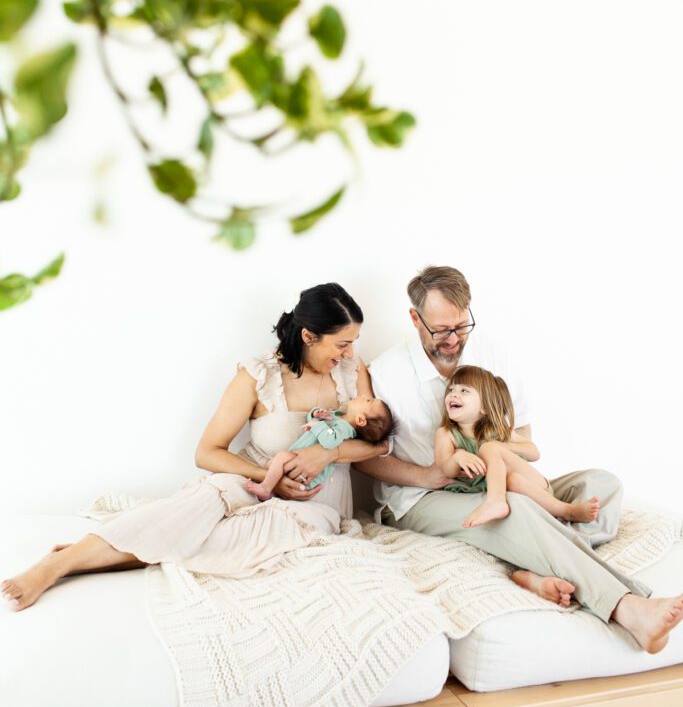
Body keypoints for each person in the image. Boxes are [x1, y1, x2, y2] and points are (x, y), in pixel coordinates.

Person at [356, 264, 683, 654]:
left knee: (602, 483)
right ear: (415, 319)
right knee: (515, 509)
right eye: (441, 329)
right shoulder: (386, 373)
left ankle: (531, 567)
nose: (453, 339)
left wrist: (504, 462)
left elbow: (524, 434)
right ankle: (628, 607)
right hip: (421, 499)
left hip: (495, 479)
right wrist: (430, 476)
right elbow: (364, 460)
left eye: (461, 326)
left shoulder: (490, 351)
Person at [1, 283, 389, 611]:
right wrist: (266, 478)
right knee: (196, 505)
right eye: (342, 343)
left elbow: (378, 443)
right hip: (254, 481)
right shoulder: (257, 375)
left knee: (255, 533)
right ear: (308, 336)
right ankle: (59, 564)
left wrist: (328, 453)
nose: (350, 353)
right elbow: (207, 453)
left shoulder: (354, 375)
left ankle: (109, 557)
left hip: (312, 504)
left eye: (353, 343)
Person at [435, 364, 600, 528]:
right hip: (516, 487)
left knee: (489, 448)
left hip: (537, 487)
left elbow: (534, 453)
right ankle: (556, 511)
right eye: (451, 390)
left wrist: (499, 447)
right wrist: (457, 457)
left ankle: (567, 510)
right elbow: (446, 469)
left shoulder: (497, 431)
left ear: (484, 407)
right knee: (512, 480)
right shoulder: (446, 434)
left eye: (464, 390)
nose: (454, 394)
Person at [246, 397, 395, 501]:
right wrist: (316, 414)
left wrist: (318, 425)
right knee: (275, 463)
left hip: (307, 475)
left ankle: (266, 489)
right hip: (299, 464)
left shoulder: (345, 430)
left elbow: (330, 441)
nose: (363, 396)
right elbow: (315, 424)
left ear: (360, 420)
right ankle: (270, 491)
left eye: (368, 401)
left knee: (281, 457)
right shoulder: (339, 418)